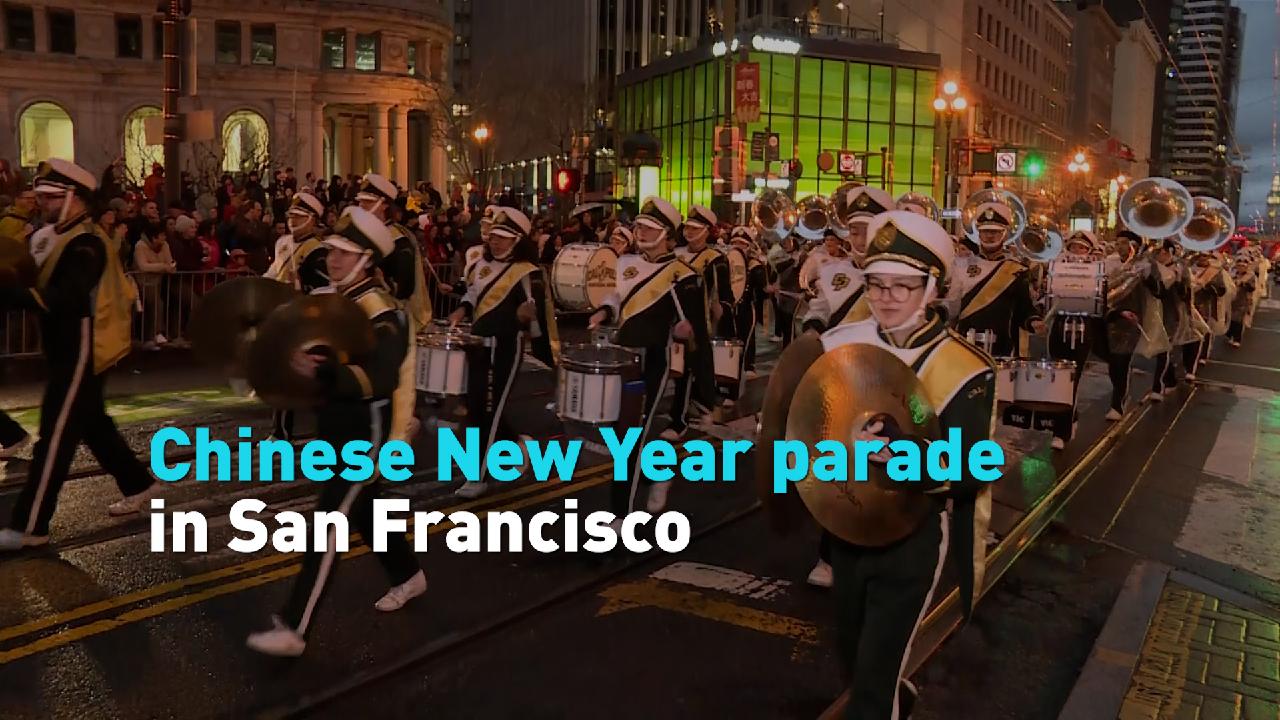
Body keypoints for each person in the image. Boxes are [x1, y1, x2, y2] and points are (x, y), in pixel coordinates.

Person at [759, 210, 994, 718]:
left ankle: (883, 698)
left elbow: (973, 467)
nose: (886, 297)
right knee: (854, 658)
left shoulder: (965, 370)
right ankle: (894, 697)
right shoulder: (841, 345)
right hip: (847, 533)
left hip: (912, 538)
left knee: (873, 678)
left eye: (903, 286)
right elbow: (808, 423)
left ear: (932, 288)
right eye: (876, 284)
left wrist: (901, 458)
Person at [246, 207, 426, 657]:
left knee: (327, 523)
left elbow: (379, 378)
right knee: (364, 512)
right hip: (335, 428)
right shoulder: (335, 302)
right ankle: (408, 576)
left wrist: (325, 372)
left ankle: (294, 628)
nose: (334, 259)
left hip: (365, 435)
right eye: (332, 251)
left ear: (368, 260)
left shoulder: (385, 315)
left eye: (346, 254)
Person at [0, 160, 158, 551]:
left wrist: (9, 292)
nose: (42, 204)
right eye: (40, 196)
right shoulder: (49, 236)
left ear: (74, 198)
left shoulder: (88, 243)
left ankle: (31, 525)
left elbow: (65, 298)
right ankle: (139, 482)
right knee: (92, 424)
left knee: (54, 437)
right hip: (63, 347)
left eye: (51, 197)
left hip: (83, 349)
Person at [590, 197, 712, 517]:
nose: (640, 232)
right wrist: (604, 310)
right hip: (621, 359)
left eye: (648, 228)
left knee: (628, 440)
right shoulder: (625, 263)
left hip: (652, 362)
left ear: (666, 234)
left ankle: (620, 516)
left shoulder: (683, 275)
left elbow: (698, 334)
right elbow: (617, 297)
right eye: (639, 226)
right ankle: (659, 473)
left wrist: (683, 333)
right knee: (619, 434)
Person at [447, 208, 556, 499]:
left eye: (503, 238)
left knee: (490, 410)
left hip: (506, 347)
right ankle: (519, 444)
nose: (496, 242)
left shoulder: (527, 273)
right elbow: (472, 293)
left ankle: (477, 475)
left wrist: (523, 317)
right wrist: (462, 308)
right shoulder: (481, 265)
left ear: (517, 241)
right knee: (475, 408)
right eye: (493, 236)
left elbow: (532, 317)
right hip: (478, 344)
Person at [355, 173, 432, 443]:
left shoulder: (398, 239)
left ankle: (400, 434)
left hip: (396, 318)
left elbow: (404, 287)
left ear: (383, 204)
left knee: (394, 384)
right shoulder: (362, 236)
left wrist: (378, 278)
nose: (362, 208)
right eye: (361, 202)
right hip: (368, 317)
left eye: (368, 203)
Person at [264, 192, 329, 441]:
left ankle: (325, 431)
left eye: (300, 216)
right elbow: (271, 275)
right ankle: (280, 432)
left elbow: (324, 292)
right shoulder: (285, 244)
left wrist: (302, 292)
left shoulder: (318, 252)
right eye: (291, 215)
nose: (293, 220)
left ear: (312, 219)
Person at [946, 201, 1045, 356]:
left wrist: (1033, 321)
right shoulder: (962, 266)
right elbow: (953, 307)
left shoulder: (1016, 270)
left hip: (1003, 347)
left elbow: (1024, 309)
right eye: (985, 231)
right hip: (966, 345)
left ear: (1004, 233)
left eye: (995, 231)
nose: (990, 235)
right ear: (978, 233)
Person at [664, 205, 730, 438]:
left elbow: (725, 296)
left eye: (695, 229)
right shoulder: (676, 255)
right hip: (675, 320)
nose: (689, 233)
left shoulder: (715, 258)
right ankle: (683, 414)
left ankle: (688, 416)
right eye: (688, 228)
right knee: (679, 368)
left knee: (699, 367)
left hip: (701, 322)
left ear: (707, 231)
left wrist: (720, 316)